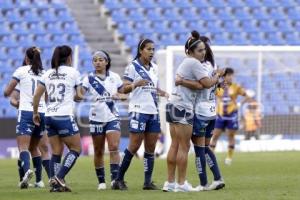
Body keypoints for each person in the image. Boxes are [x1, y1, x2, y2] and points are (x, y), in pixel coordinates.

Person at [163, 30, 222, 192]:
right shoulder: (195, 63)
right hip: (184, 107)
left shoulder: (185, 63)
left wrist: (183, 81)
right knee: (184, 147)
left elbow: (198, 85)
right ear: (190, 52)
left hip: (173, 104)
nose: (203, 53)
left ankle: (170, 183)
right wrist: (217, 76)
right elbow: (207, 83)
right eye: (200, 50)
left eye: (204, 49)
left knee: (174, 145)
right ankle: (181, 184)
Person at [112, 38, 168, 190]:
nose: (151, 52)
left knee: (151, 147)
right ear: (141, 50)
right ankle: (118, 179)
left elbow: (152, 88)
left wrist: (162, 93)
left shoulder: (155, 68)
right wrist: (135, 84)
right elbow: (123, 90)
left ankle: (147, 182)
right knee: (134, 145)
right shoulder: (133, 67)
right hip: (138, 110)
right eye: (149, 49)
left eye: (153, 49)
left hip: (153, 111)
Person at [32, 45, 82, 192]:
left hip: (49, 116)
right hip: (64, 115)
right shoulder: (73, 72)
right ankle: (59, 177)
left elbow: (37, 96)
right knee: (76, 149)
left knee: (56, 151)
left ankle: (55, 186)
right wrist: (77, 96)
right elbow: (79, 95)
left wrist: (35, 113)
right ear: (69, 57)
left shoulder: (47, 74)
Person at [79, 50, 126, 190]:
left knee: (113, 147)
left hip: (112, 116)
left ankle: (114, 180)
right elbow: (79, 96)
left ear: (106, 62)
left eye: (101, 60)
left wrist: (119, 96)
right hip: (96, 118)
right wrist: (76, 88)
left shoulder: (115, 77)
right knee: (98, 150)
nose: (98, 62)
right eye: (95, 60)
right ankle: (101, 181)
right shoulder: (88, 79)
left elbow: (124, 95)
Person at [4, 47, 46, 189]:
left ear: (26, 58)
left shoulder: (21, 71)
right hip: (42, 113)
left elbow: (7, 92)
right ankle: (39, 181)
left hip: (27, 112)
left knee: (23, 147)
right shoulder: (44, 73)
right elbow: (47, 97)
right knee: (34, 148)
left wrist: (12, 97)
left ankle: (27, 171)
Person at [10, 86, 51, 186]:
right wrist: (17, 103)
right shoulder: (24, 78)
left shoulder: (42, 78)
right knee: (27, 147)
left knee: (35, 147)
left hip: (35, 115)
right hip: (33, 114)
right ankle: (26, 179)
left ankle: (40, 180)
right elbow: (13, 99)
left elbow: (11, 98)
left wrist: (16, 103)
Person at [210, 68, 249, 165]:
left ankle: (229, 158)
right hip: (220, 115)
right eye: (229, 75)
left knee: (231, 136)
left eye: (232, 75)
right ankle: (211, 158)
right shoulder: (219, 86)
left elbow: (247, 96)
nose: (231, 77)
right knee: (215, 136)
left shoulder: (236, 87)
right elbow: (213, 95)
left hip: (232, 115)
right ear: (224, 77)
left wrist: (240, 104)